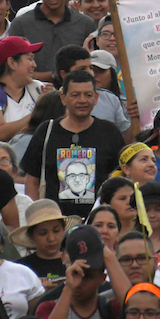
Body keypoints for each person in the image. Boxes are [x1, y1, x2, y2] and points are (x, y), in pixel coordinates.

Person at [21, 71, 126, 218]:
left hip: (98, 223)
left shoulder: (109, 132)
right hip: (55, 223)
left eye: (88, 95)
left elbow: (120, 181)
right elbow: (32, 181)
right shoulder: (46, 131)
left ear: (96, 98)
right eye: (75, 95)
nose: (82, 100)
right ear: (63, 98)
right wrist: (40, 216)